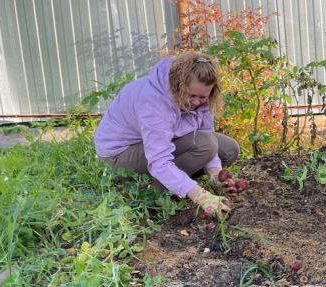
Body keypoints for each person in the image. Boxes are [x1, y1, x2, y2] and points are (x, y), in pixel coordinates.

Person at [94, 52, 240, 217]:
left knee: (228, 149)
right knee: (205, 145)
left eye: (203, 97)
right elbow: (159, 160)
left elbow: (206, 132)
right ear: (178, 85)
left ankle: (178, 181)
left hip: (159, 141)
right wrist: (201, 196)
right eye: (191, 95)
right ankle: (155, 193)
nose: (197, 102)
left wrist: (215, 174)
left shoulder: (202, 97)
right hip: (120, 154)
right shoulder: (153, 101)